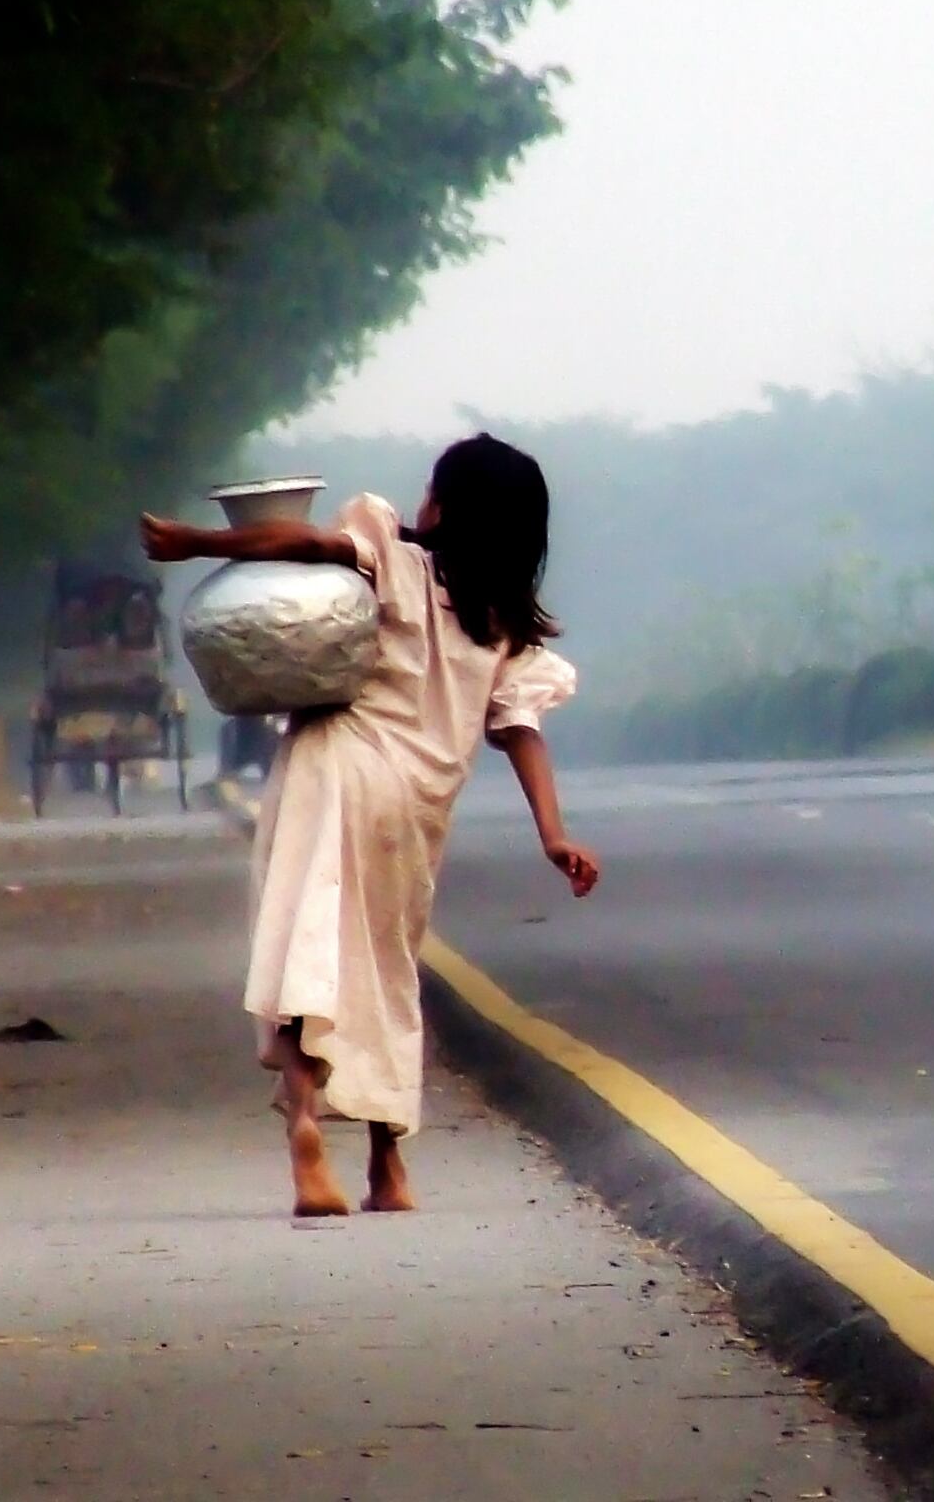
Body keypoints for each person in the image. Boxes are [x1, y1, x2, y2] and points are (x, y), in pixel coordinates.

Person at [141, 435, 599, 1217]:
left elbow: (301, 541)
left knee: (302, 947)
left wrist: (198, 544)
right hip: (415, 806)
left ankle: (307, 1133)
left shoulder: (396, 559)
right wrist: (553, 835)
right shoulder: (504, 625)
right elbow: (521, 729)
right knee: (386, 969)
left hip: (333, 765)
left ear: (443, 506)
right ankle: (389, 1165)